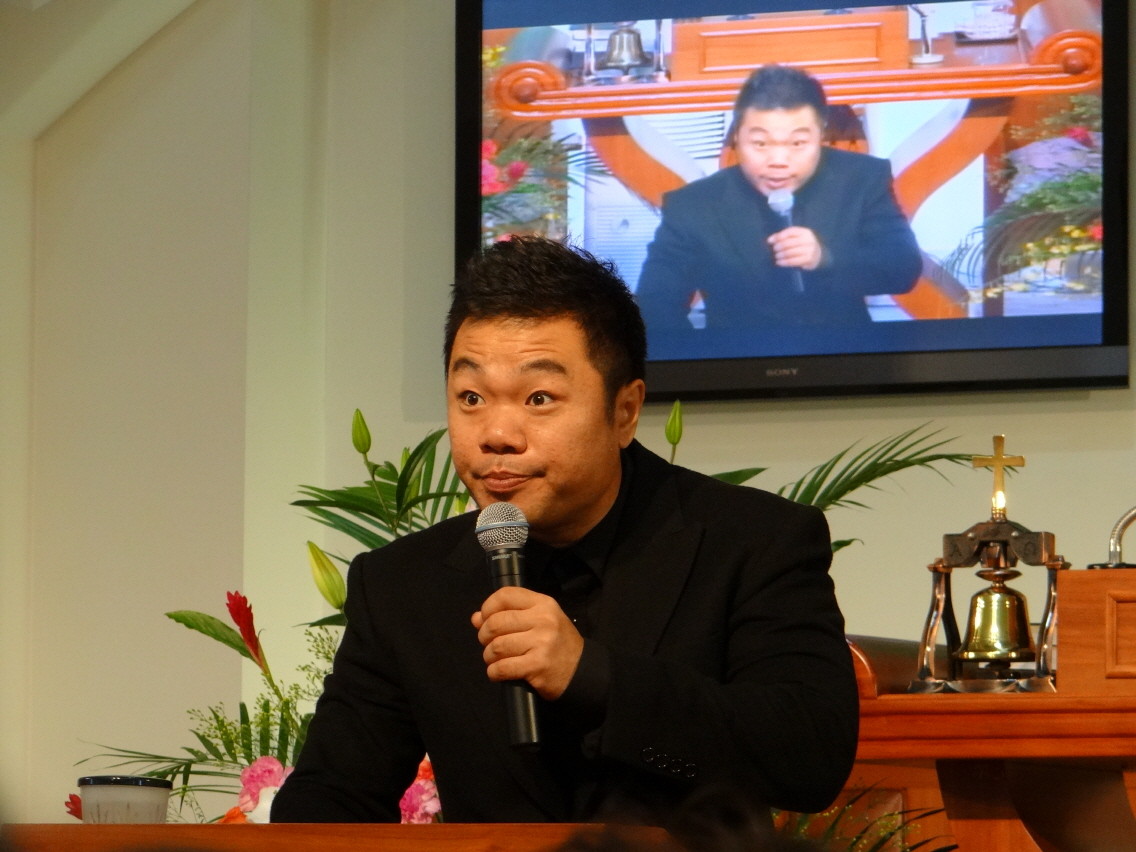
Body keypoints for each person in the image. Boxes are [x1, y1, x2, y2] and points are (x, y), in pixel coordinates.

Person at [271, 236, 859, 827]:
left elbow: (809, 760)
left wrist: (592, 676)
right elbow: (332, 800)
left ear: (624, 411)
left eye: (538, 397)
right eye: (471, 397)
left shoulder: (754, 541)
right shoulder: (403, 583)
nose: (497, 435)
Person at [635, 65, 921, 352]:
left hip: (844, 360)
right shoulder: (693, 206)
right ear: (737, 137)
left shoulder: (862, 179)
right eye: (760, 143)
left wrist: (826, 257)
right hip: (739, 365)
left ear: (820, 134)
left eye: (798, 143)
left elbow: (903, 268)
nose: (778, 161)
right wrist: (698, 364)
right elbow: (655, 304)